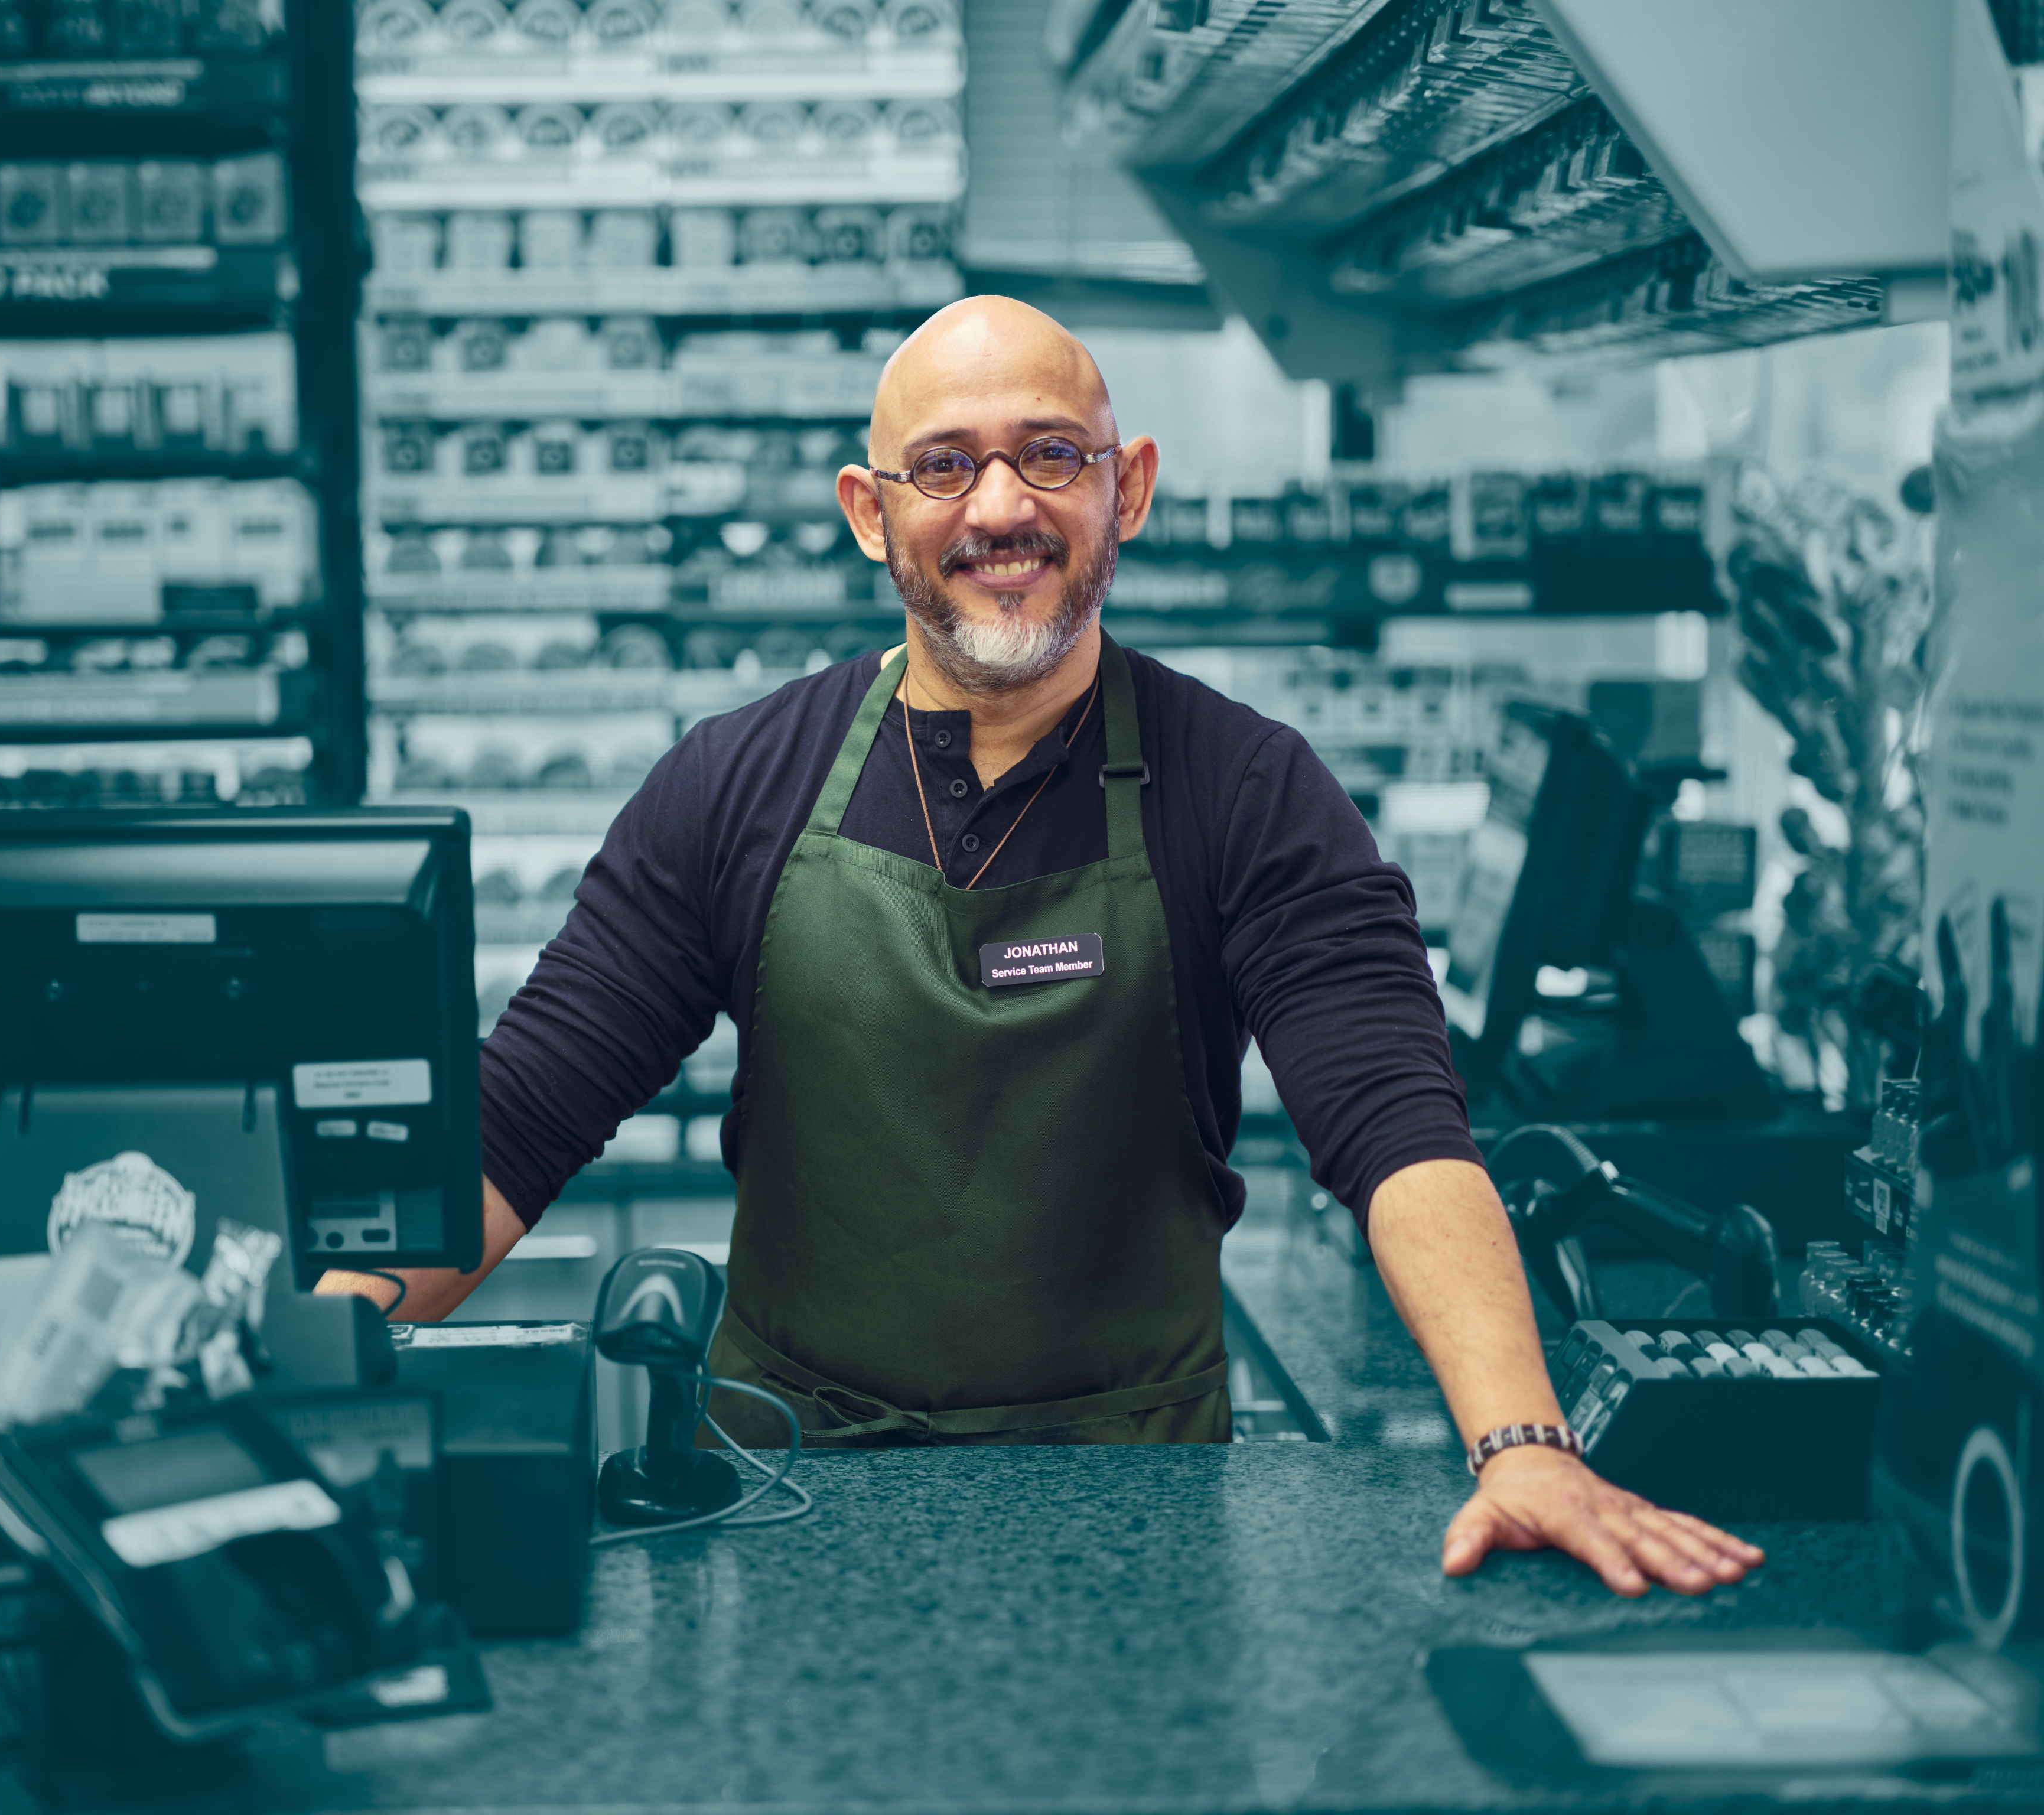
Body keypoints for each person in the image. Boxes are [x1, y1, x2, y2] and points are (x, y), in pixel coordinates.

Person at [321, 296, 1766, 1599]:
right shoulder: (734, 784)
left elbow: (1397, 1129)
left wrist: (1522, 1443)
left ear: (1123, 488)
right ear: (868, 511)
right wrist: (282, 1373)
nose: (999, 506)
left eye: (1050, 456)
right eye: (944, 464)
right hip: (784, 1493)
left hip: (1138, 1504)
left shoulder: (1245, 787)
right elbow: (515, 1126)